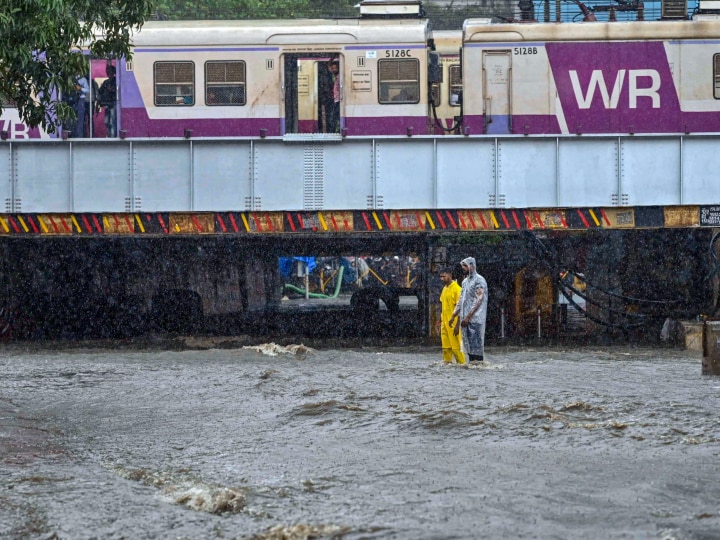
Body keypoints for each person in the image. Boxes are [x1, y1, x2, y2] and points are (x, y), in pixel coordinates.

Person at [450, 257, 488, 363]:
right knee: (468, 348)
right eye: (463, 266)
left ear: (472, 266)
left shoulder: (479, 280)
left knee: (476, 349)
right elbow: (461, 300)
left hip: (475, 320)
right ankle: (472, 368)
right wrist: (454, 315)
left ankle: (478, 367)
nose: (463, 268)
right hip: (464, 320)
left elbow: (479, 299)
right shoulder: (465, 282)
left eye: (465, 266)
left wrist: (468, 317)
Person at [438, 267, 465, 365]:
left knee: (456, 348)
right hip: (444, 323)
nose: (442, 279)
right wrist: (439, 321)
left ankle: (462, 365)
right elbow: (443, 306)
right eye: (440, 277)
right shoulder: (444, 289)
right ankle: (448, 365)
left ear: (449, 276)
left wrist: (458, 325)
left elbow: (461, 307)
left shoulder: (457, 289)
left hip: (454, 324)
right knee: (446, 347)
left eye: (443, 276)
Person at [98, 65, 117, 137]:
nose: (109, 74)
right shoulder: (106, 82)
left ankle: (113, 136)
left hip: (113, 103)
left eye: (111, 72)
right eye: (108, 72)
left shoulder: (116, 81)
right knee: (106, 121)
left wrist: (112, 90)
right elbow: (100, 91)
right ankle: (109, 135)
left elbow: (119, 91)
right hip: (107, 103)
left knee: (112, 121)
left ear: (114, 73)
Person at [323, 60, 340, 133]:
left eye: (335, 68)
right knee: (334, 117)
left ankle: (335, 131)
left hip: (338, 100)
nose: (333, 70)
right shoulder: (334, 76)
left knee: (335, 117)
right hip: (335, 99)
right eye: (332, 68)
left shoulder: (339, 77)